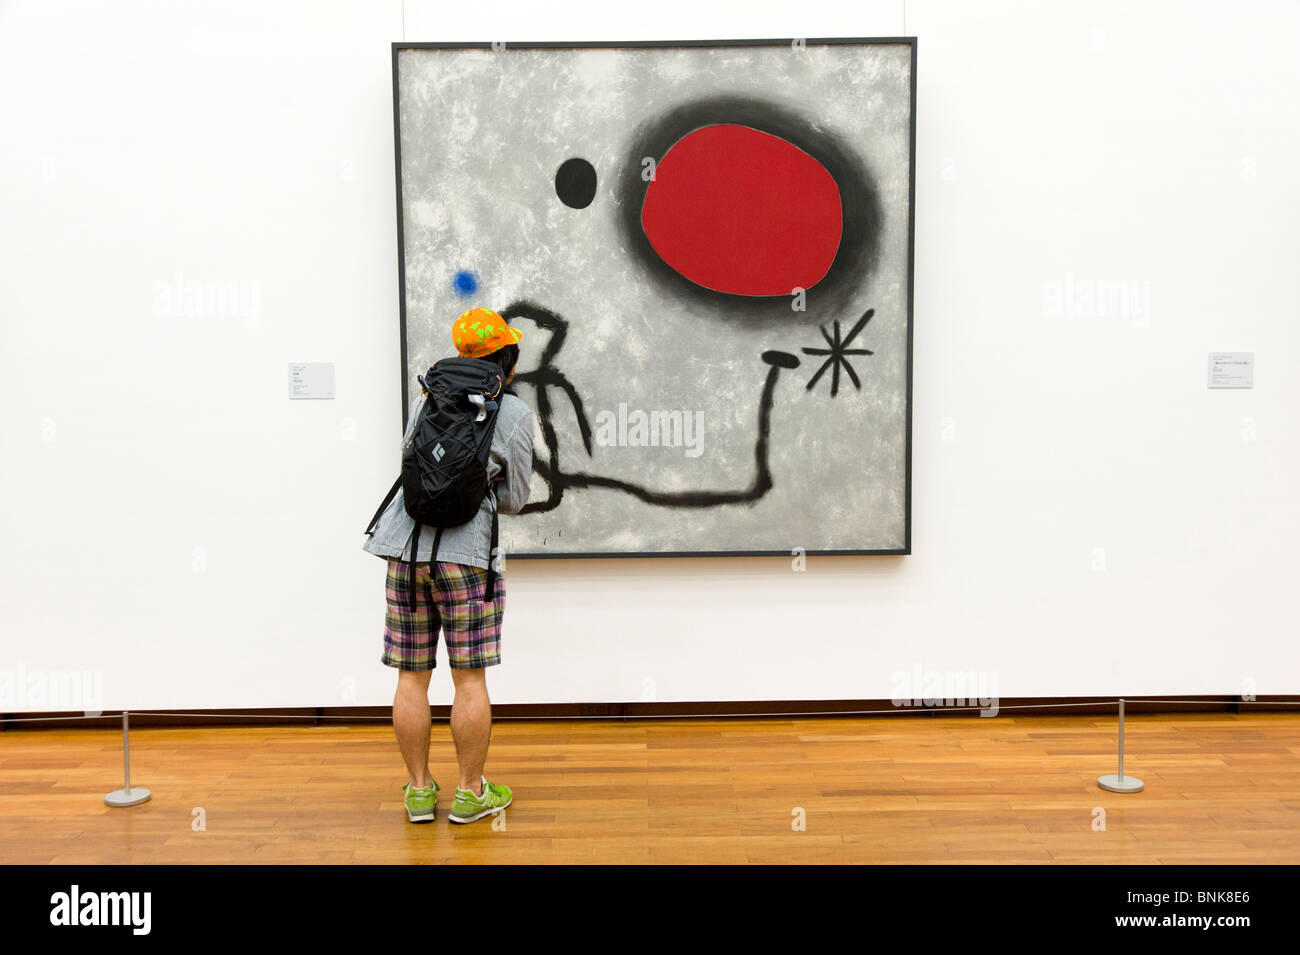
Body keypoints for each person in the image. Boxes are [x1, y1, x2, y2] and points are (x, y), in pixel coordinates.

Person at [363, 306, 535, 824]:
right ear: (506, 356)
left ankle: (418, 792)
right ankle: (469, 792)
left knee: (411, 678)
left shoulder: (425, 402)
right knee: (469, 681)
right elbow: (516, 499)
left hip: (406, 552)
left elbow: (414, 470)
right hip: (466, 561)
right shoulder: (515, 412)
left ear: (460, 352)